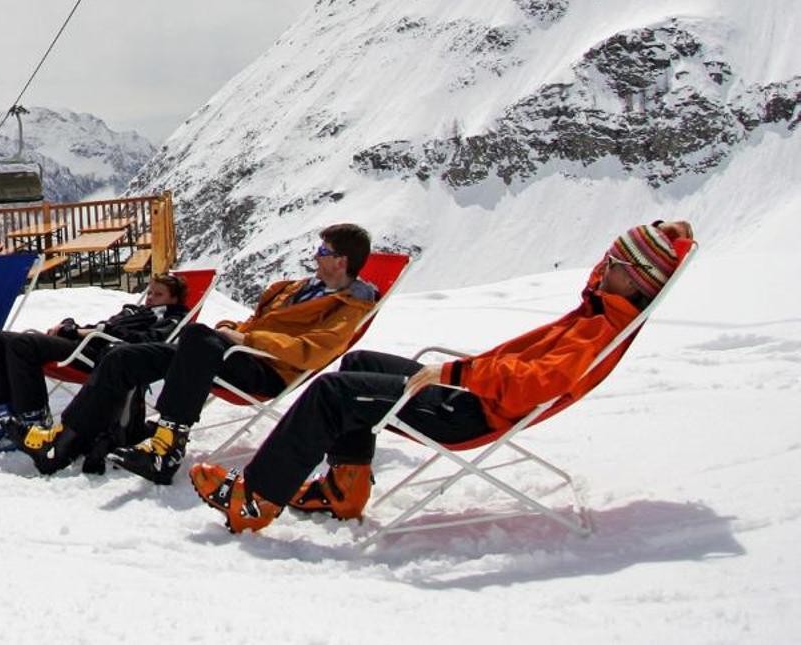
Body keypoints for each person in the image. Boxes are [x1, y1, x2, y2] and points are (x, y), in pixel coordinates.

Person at [190, 220, 694, 534]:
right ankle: (346, 486)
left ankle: (255, 498)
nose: (602, 268)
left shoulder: (599, 328)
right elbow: (609, 276)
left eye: (615, 264)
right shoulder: (606, 306)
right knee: (362, 364)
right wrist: (669, 237)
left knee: (332, 391)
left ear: (635, 277)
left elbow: (532, 383)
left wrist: (454, 372)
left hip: (470, 409)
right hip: (473, 389)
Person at [22, 223, 378, 482]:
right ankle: (66, 441)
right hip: (230, 354)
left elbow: (312, 352)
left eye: (324, 252)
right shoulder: (298, 288)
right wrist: (233, 331)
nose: (316, 257)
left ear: (341, 261)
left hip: (267, 369)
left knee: (196, 337)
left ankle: (167, 447)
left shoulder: (350, 305)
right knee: (125, 357)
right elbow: (253, 321)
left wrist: (247, 342)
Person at [0, 273, 190, 453]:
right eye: (149, 292)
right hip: (86, 343)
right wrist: (71, 327)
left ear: (174, 299)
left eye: (158, 294)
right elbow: (104, 326)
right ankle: (7, 415)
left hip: (103, 357)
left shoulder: (170, 319)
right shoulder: (136, 311)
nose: (150, 298)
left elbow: (144, 343)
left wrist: (83, 332)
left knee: (22, 345)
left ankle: (34, 420)